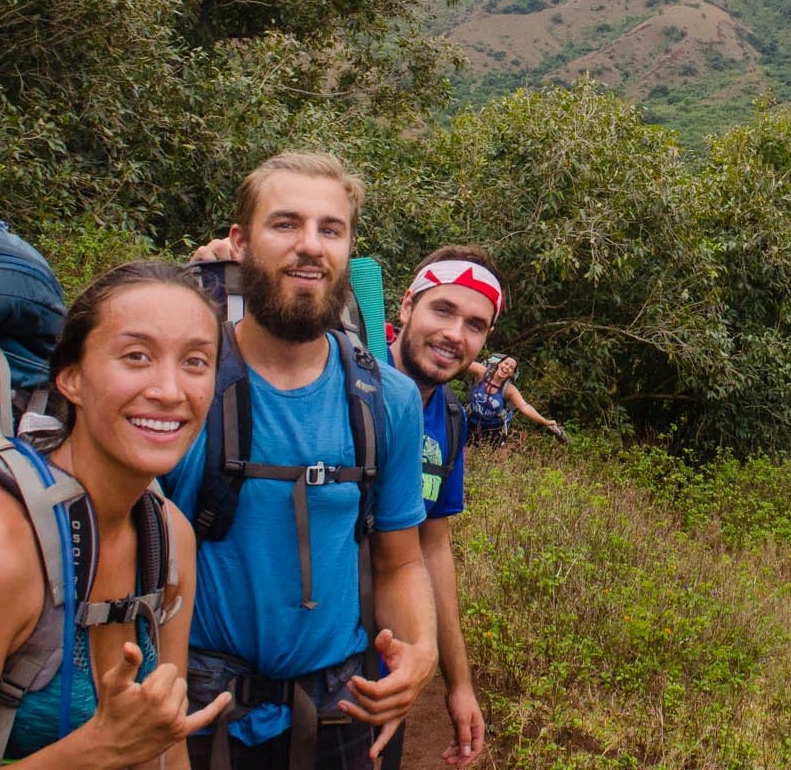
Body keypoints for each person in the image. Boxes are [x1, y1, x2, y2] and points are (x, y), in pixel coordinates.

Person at [0, 261, 233, 769]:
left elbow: (164, 744)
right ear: (71, 379)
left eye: (196, 362)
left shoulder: (169, 535)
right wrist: (97, 751)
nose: (171, 390)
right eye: (136, 356)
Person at [171, 151, 436, 770]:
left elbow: (400, 561)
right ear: (239, 243)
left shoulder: (385, 398)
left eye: (330, 228)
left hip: (343, 715)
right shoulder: (186, 389)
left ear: (348, 249)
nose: (310, 245)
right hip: (201, 717)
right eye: (285, 224)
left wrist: (421, 652)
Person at [381, 246, 508, 768]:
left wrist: (460, 685)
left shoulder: (449, 417)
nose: (457, 334)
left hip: (386, 667)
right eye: (443, 310)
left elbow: (434, 549)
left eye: (475, 325)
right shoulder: (337, 377)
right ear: (407, 305)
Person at [463, 352, 564, 447]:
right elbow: (462, 363)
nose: (507, 368)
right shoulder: (482, 372)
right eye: (506, 364)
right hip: (471, 420)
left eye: (511, 367)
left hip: (493, 427)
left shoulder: (509, 390)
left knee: (496, 459)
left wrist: (545, 421)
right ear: (499, 364)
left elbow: (524, 407)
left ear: (512, 373)